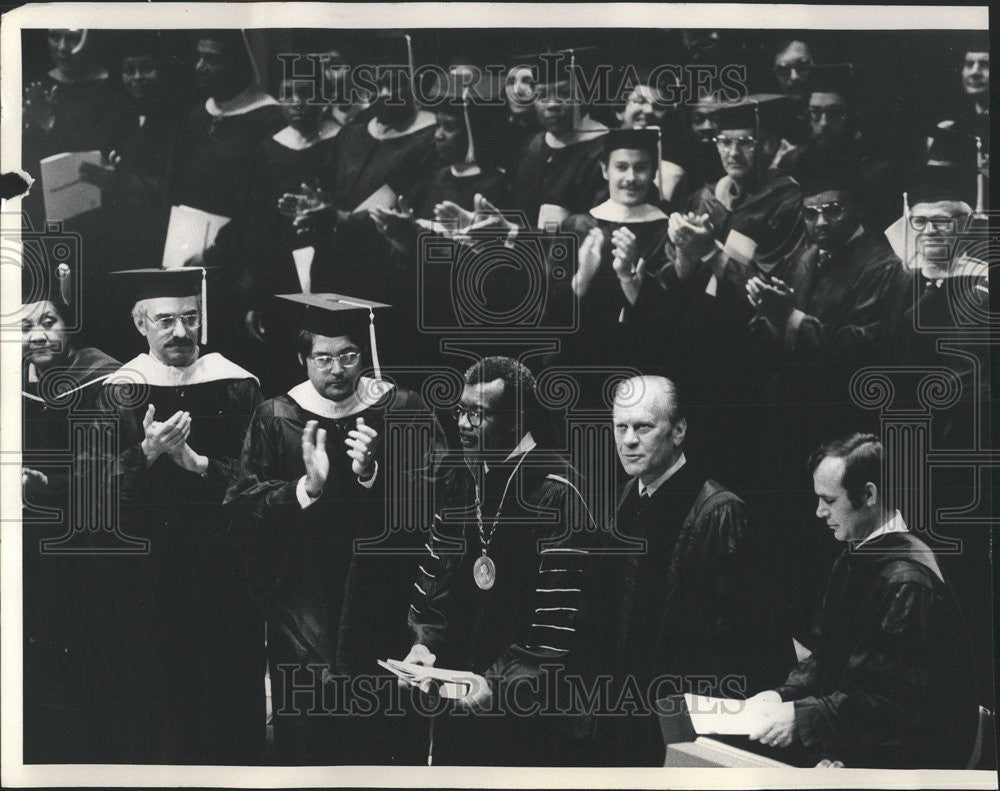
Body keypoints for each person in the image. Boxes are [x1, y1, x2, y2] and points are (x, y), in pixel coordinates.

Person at [224, 294, 446, 764]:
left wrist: (374, 473)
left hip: (388, 599)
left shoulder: (402, 408)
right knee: (311, 744)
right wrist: (306, 487)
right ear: (303, 359)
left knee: (383, 734)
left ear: (363, 356)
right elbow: (242, 506)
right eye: (323, 358)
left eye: (349, 356)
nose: (337, 370)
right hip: (305, 605)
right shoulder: (275, 416)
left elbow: (442, 495)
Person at [94, 267, 265, 763]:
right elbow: (94, 487)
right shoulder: (119, 390)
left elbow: (261, 481)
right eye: (165, 320)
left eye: (190, 318)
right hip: (149, 567)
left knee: (228, 682)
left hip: (225, 563)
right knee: (158, 688)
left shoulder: (237, 385)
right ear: (140, 324)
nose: (181, 332)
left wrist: (200, 465)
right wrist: (145, 452)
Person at [589, 375, 792, 766]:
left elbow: (737, 643)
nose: (629, 440)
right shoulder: (627, 499)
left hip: (688, 727)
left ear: (679, 430)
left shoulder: (719, 511)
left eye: (643, 427)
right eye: (621, 427)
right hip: (627, 715)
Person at [401, 357, 595, 765]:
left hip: (530, 708)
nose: (463, 424)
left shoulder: (556, 493)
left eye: (478, 414)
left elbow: (558, 625)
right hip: (462, 694)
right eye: (461, 410)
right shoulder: (465, 480)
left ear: (517, 420)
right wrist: (425, 645)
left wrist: (498, 683)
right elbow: (436, 582)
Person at [746, 434, 980, 769]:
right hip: (855, 738)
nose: (818, 512)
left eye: (829, 500)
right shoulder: (854, 558)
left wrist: (803, 719)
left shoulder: (908, 581)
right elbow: (824, 656)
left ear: (869, 494)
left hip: (908, 762)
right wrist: (782, 695)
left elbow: (891, 702)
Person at [21, 262, 120, 763]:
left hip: (88, 540)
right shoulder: (15, 382)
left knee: (87, 654)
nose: (38, 335)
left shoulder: (97, 376)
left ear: (68, 324)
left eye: (48, 322)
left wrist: (48, 486)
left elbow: (107, 467)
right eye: (24, 327)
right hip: (28, 544)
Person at [555, 128, 669, 369]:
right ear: (605, 170)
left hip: (641, 359)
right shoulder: (577, 226)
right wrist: (583, 276)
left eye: (640, 167)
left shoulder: (665, 230)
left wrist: (628, 277)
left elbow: (666, 315)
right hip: (581, 358)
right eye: (621, 167)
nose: (631, 178)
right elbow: (552, 312)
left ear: (653, 173)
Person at [508, 52, 609, 228]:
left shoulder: (605, 149)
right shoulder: (530, 146)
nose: (552, 104)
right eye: (542, 95)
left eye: (564, 93)